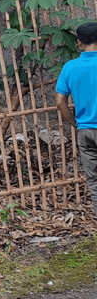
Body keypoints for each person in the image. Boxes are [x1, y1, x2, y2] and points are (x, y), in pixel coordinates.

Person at [56, 21, 97, 216]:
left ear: (79, 42)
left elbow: (60, 101)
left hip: (85, 131)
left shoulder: (70, 67)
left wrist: (74, 123)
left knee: (94, 180)